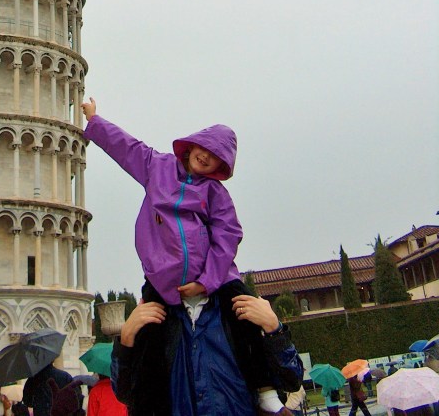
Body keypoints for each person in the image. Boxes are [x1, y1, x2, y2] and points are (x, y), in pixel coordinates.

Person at [82, 99, 289, 415]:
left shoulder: (214, 193)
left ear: (221, 167)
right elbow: (126, 147)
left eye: (215, 158)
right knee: (148, 339)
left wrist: (207, 283)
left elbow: (227, 235)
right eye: (204, 148)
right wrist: (95, 122)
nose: (206, 157)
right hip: (161, 278)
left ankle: (264, 387)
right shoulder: (157, 167)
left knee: (246, 320)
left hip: (216, 278)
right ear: (192, 145)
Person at [111, 295, 303, 416]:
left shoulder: (238, 310)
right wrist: (126, 339)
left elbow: (291, 380)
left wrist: (273, 328)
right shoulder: (156, 320)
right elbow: (127, 394)